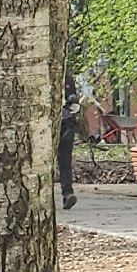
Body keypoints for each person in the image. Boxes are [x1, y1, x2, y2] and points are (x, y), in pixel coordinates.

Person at [59, 76, 80, 210]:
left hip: (65, 125)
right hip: (44, 125)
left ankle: (68, 193)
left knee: (65, 161)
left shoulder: (67, 78)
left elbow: (74, 103)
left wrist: (73, 106)